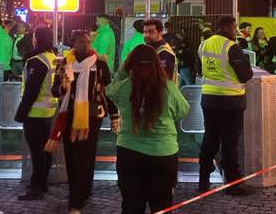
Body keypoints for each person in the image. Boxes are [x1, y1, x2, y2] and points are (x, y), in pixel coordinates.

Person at [106, 44, 190, 214]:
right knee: (162, 206)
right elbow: (183, 110)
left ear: (130, 64)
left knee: (131, 205)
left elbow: (109, 90)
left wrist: (122, 71)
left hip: (129, 152)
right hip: (163, 154)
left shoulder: (123, 88)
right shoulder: (168, 87)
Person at [48, 30, 118, 214]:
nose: (86, 45)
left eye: (88, 41)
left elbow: (107, 91)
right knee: (72, 157)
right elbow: (54, 91)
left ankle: (79, 196)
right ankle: (77, 193)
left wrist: (115, 115)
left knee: (85, 156)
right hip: (69, 116)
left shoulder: (100, 64)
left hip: (92, 117)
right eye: (81, 42)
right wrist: (63, 86)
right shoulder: (64, 64)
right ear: (73, 44)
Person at [196, 16, 255, 195]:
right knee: (230, 143)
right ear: (228, 27)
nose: (235, 31)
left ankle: (203, 179)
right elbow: (246, 75)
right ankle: (233, 183)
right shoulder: (231, 47)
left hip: (209, 99)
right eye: (234, 27)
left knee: (210, 139)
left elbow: (199, 70)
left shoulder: (203, 45)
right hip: (231, 101)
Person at [15, 26, 58, 201]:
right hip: (49, 110)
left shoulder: (36, 61)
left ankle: (37, 186)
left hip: (35, 112)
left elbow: (31, 91)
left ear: (37, 39)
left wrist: (21, 113)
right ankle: (42, 183)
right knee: (45, 150)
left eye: (34, 37)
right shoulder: (53, 58)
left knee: (37, 152)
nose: (32, 39)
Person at [143, 19, 178, 84]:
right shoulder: (153, 49)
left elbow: (162, 80)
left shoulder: (164, 52)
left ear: (160, 33)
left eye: (151, 32)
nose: (147, 35)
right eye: (145, 32)